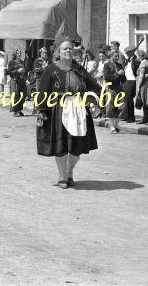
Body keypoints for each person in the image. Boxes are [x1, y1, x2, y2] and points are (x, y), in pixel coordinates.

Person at [36, 37, 103, 189]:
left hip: (79, 110)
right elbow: (43, 92)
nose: (68, 50)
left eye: (70, 49)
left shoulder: (79, 69)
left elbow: (96, 87)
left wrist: (91, 100)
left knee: (76, 146)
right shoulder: (51, 69)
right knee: (61, 145)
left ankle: (69, 172)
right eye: (65, 48)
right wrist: (41, 110)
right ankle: (62, 176)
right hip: (58, 109)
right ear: (58, 52)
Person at [103, 48, 126, 133]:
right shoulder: (107, 65)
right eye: (116, 56)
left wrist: (123, 75)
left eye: (118, 56)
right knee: (110, 107)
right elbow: (107, 78)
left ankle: (116, 125)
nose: (117, 58)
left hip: (119, 88)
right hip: (110, 88)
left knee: (121, 107)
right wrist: (117, 74)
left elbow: (123, 79)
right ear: (111, 56)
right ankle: (112, 127)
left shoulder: (120, 65)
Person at [121, 46, 140, 122]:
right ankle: (126, 116)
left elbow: (136, 71)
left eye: (128, 53)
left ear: (132, 52)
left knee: (129, 99)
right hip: (126, 80)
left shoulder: (136, 60)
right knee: (126, 99)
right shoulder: (128, 60)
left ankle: (131, 117)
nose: (127, 54)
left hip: (132, 80)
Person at [7, 49, 27, 117]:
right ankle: (15, 111)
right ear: (15, 54)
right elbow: (9, 72)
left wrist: (24, 71)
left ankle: (19, 110)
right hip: (15, 80)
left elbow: (25, 71)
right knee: (15, 95)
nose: (19, 54)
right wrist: (17, 71)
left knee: (22, 95)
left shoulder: (22, 62)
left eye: (20, 53)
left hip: (22, 81)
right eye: (17, 53)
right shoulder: (11, 62)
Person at [135, 50, 148, 124]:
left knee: (144, 100)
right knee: (146, 101)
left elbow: (141, 76)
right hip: (147, 83)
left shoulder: (143, 63)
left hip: (143, 84)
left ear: (141, 56)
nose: (137, 58)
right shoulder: (147, 62)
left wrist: (138, 86)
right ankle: (146, 117)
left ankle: (145, 118)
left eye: (137, 56)